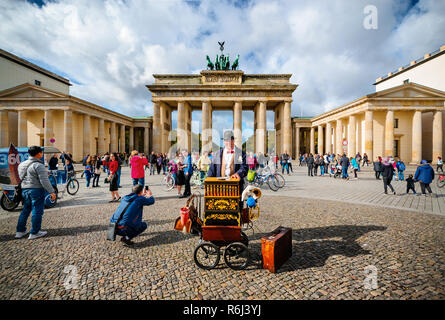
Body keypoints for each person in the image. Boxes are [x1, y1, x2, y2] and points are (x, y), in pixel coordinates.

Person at [15, 146, 57, 240]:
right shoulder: (39, 165)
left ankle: (20, 231)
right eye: (41, 152)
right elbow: (44, 181)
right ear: (38, 153)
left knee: (25, 210)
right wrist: (52, 192)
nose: (42, 154)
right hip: (36, 190)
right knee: (37, 211)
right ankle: (35, 232)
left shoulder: (21, 164)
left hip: (25, 189)